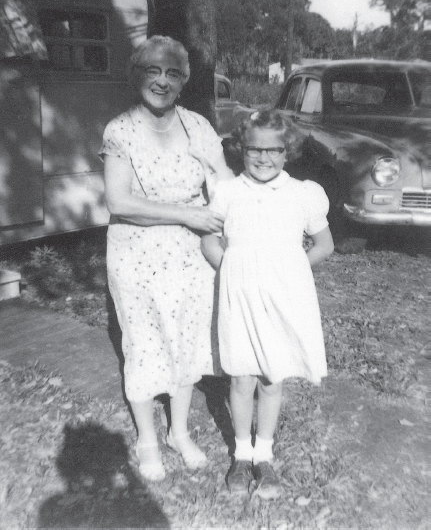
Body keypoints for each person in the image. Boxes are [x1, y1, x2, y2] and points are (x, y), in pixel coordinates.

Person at [99, 35, 232, 482]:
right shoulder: (120, 129)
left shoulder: (198, 126)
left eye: (173, 73)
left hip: (193, 255)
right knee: (143, 341)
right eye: (152, 71)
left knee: (187, 340)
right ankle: (147, 439)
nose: (162, 81)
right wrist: (189, 214)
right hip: (136, 253)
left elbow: (225, 185)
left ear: (184, 80)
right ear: (137, 74)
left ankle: (178, 431)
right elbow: (119, 202)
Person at [201, 109, 334, 499]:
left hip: (282, 296)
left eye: (274, 151)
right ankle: (242, 454)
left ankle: (265, 455)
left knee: (271, 378)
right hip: (240, 293)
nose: (264, 158)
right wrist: (231, 268)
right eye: (255, 150)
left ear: (287, 151)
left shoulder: (302, 193)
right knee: (242, 376)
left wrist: (290, 270)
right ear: (242, 149)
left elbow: (324, 245)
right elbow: (210, 239)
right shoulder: (228, 191)